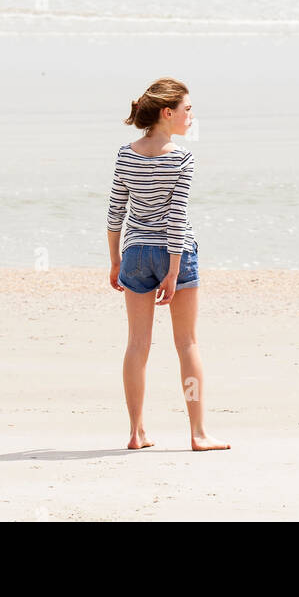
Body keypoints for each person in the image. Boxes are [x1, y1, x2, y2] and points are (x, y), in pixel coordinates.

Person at [107, 77, 230, 453]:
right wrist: (175, 270)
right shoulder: (182, 158)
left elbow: (115, 214)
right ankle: (197, 433)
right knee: (187, 343)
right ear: (167, 113)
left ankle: (136, 432)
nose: (191, 116)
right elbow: (176, 217)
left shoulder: (125, 155)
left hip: (136, 254)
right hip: (175, 252)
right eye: (187, 110)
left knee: (137, 344)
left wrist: (115, 261)